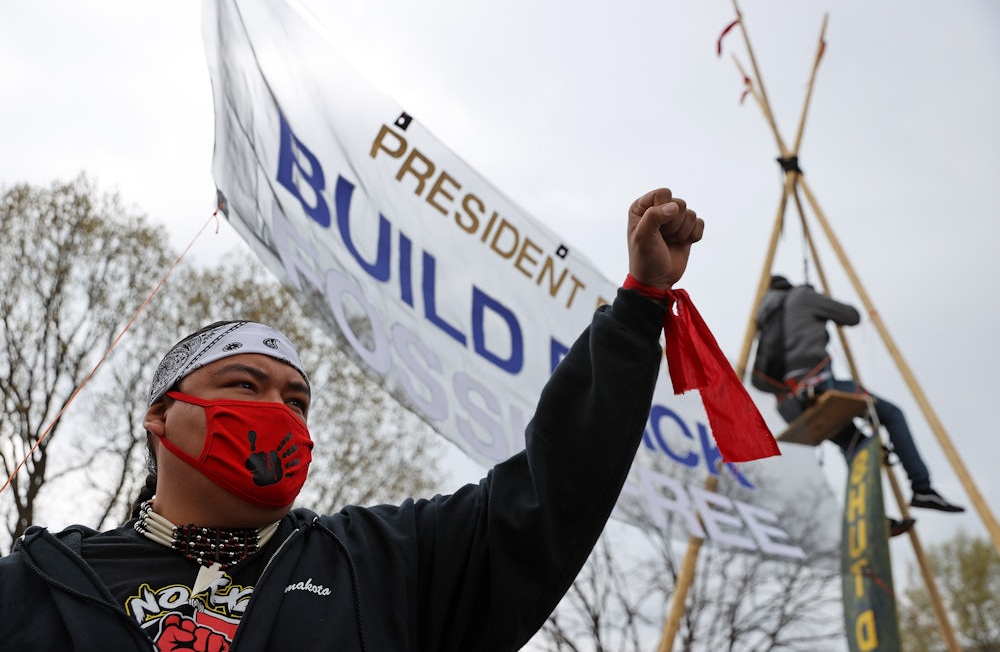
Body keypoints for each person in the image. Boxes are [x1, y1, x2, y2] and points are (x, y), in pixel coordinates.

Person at [0, 187, 704, 651]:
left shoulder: (385, 563)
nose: (278, 411)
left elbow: (553, 492)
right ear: (161, 415)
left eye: (296, 400)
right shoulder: (35, 583)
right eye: (245, 383)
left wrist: (639, 307)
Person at [756, 274, 965, 527]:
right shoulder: (800, 297)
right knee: (891, 414)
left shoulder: (764, 320)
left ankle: (870, 516)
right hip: (820, 386)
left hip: (791, 406)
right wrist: (817, 297)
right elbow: (851, 316)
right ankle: (922, 487)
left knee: (857, 445)